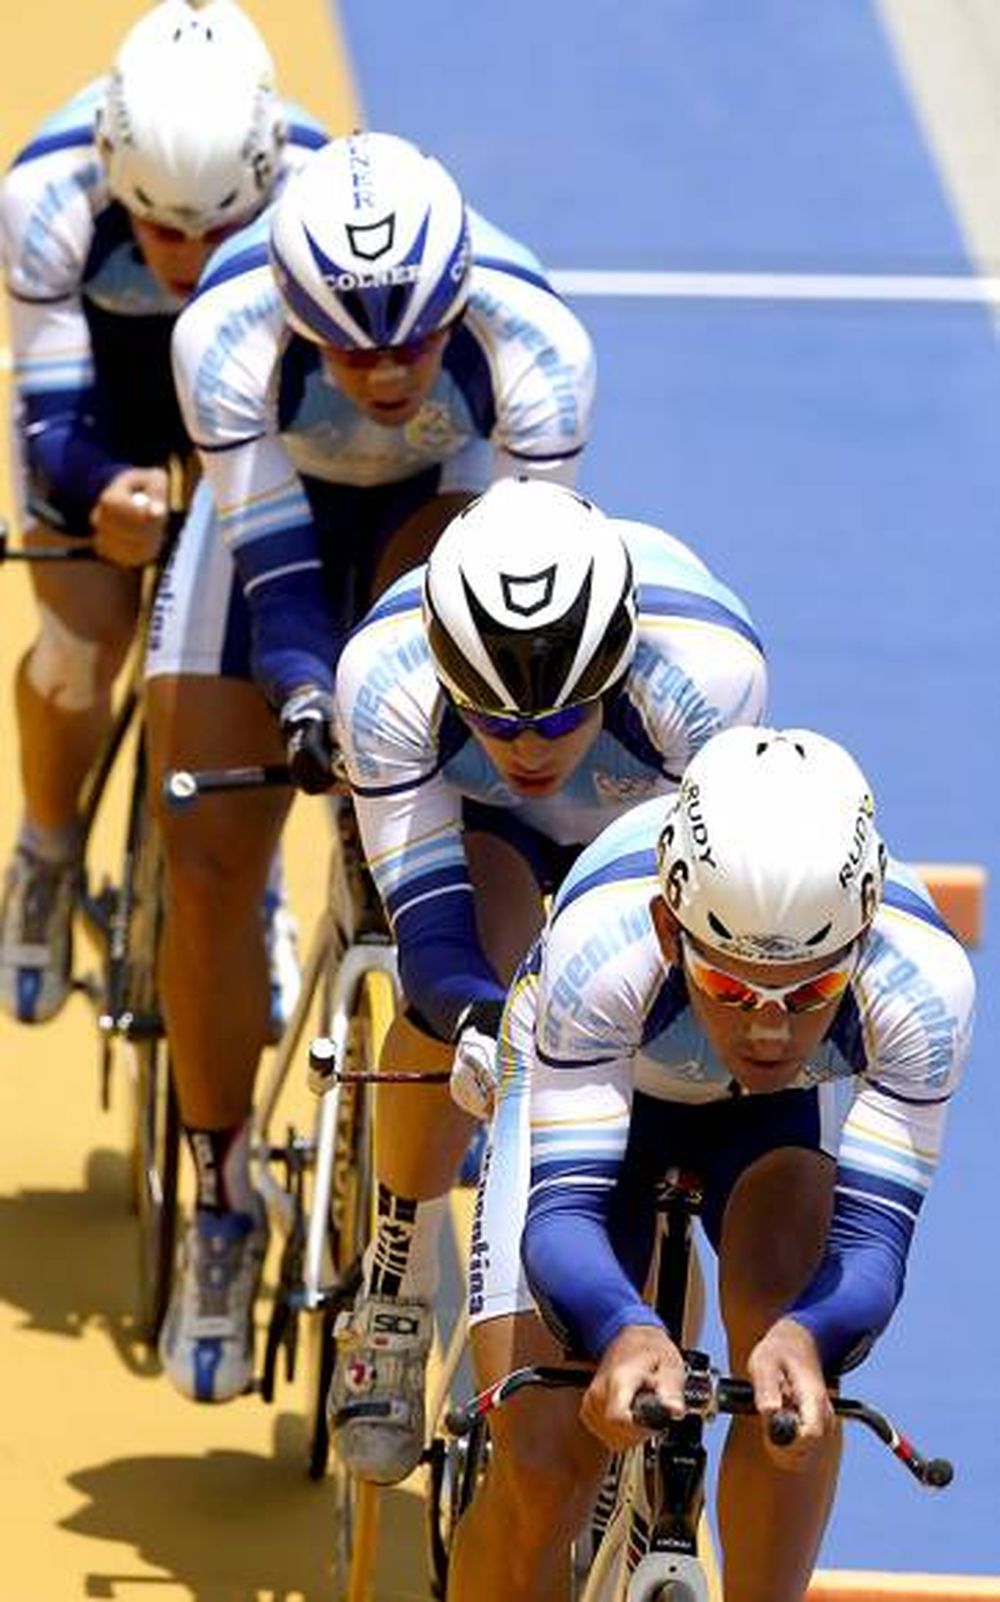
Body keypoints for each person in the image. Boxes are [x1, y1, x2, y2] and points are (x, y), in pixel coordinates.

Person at [148, 132, 597, 1402]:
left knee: (469, 795)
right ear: (291, 312)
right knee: (207, 861)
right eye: (350, 347)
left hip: (449, 514)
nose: (390, 370)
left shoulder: (536, 343)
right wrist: (303, 700)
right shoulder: (226, 333)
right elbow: (278, 568)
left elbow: (524, 571)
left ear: (457, 299)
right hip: (275, 512)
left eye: (413, 341)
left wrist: (426, 743)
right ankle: (222, 1196)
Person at [446, 725, 975, 1602]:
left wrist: (806, 1339)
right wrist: (622, 1326)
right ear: (668, 927)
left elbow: (875, 1242)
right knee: (541, 1462)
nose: (768, 1028)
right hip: (603, 1079)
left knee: (795, 1379)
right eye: (730, 989)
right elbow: (565, 1215)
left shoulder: (922, 985)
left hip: (769, 1123)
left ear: (864, 946)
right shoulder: (602, 946)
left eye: (809, 994)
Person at [328, 475, 768, 1483]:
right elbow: (435, 947)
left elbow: (699, 917)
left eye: (561, 715)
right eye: (493, 717)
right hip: (485, 835)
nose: (528, 746)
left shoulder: (703, 678)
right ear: (448, 677)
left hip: (645, 837)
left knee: (658, 1054)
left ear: (613, 672)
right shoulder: (386, 677)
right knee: (460, 1005)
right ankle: (395, 1274)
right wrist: (498, 1023)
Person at [0, 0, 326, 1026]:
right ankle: (47, 850)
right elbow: (51, 424)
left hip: (257, 403)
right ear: (109, 167)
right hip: (111, 407)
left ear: (264, 178)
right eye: (157, 228)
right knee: (73, 655)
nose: (188, 255)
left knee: (273, 656)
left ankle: (251, 882)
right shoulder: (45, 194)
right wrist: (103, 490)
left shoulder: (326, 197)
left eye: (220, 229)